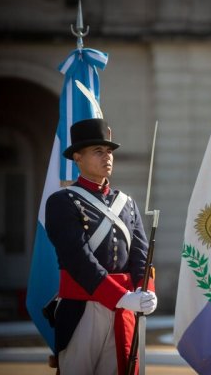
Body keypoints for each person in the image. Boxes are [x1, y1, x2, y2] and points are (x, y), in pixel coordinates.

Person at [45, 118, 157, 375]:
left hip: (125, 307)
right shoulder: (62, 202)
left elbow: (140, 255)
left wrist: (146, 291)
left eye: (109, 152)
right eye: (98, 151)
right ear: (77, 158)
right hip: (83, 307)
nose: (107, 157)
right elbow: (77, 258)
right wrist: (120, 296)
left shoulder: (126, 203)